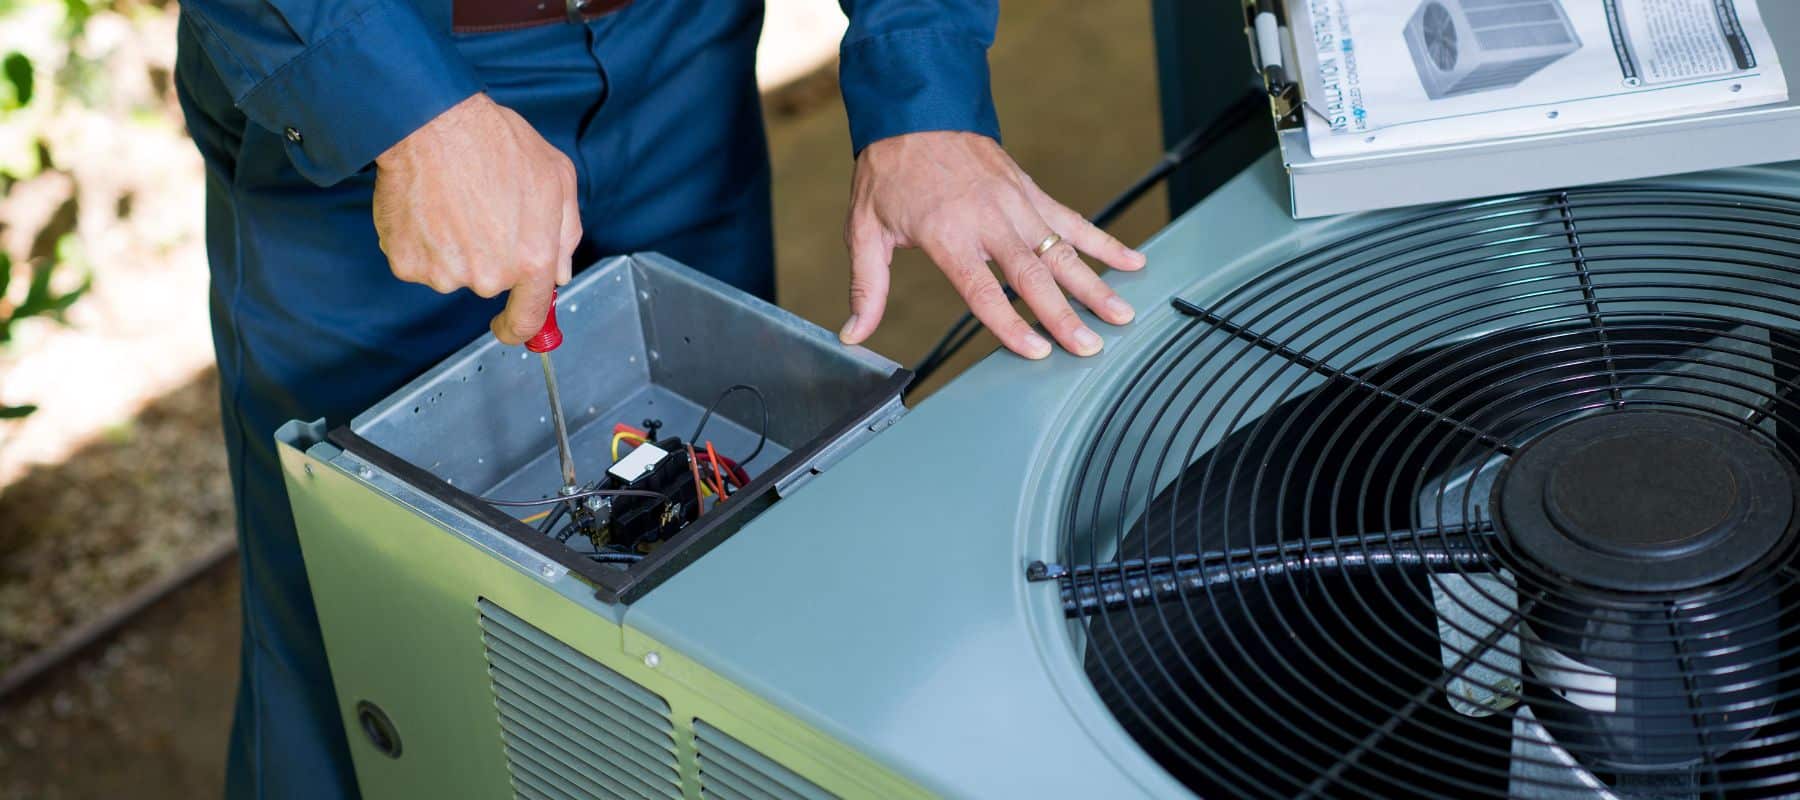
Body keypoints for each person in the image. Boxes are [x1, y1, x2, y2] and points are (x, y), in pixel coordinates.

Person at [172, 0, 1147, 795]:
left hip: (682, 46)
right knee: (363, 628)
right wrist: (402, 108)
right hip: (386, 71)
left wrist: (922, 81)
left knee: (717, 576)